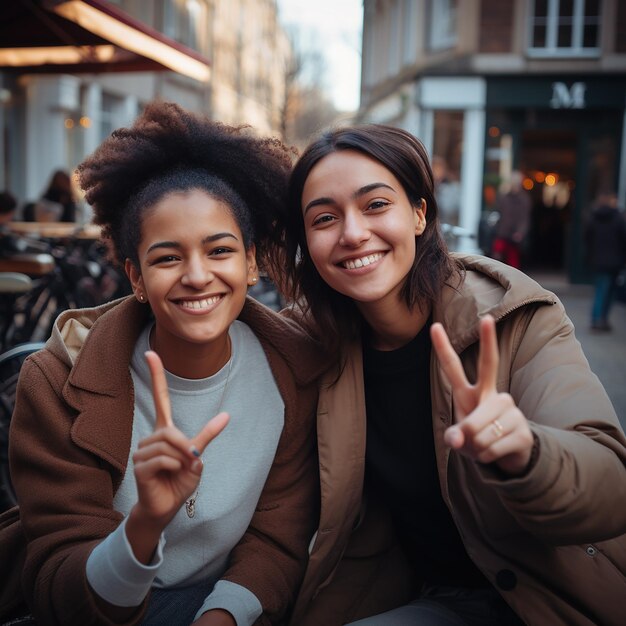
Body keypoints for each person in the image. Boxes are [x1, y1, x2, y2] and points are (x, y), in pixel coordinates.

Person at [272, 124, 626, 626]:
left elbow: (612, 484)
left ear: (419, 214)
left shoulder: (512, 315)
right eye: (325, 218)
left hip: (556, 597)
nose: (352, 233)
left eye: (376, 205)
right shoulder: (308, 344)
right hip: (426, 597)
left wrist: (525, 451)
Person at [0, 102, 326, 626]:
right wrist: (145, 524)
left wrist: (221, 616)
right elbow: (58, 578)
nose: (197, 276)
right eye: (167, 257)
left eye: (219, 251)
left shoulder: (295, 373)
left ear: (250, 263)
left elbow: (278, 537)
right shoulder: (55, 381)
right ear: (135, 277)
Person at [585, 191, 626, 331]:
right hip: (615, 261)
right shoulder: (618, 218)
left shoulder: (593, 217)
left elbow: (587, 238)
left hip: (598, 260)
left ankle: (596, 319)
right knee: (609, 293)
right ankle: (602, 319)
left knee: (600, 290)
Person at [491, 170, 531, 269]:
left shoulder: (524, 199)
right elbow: (498, 212)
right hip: (502, 232)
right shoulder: (503, 197)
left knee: (513, 261)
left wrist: (520, 232)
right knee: (496, 257)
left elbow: (524, 218)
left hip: (514, 235)